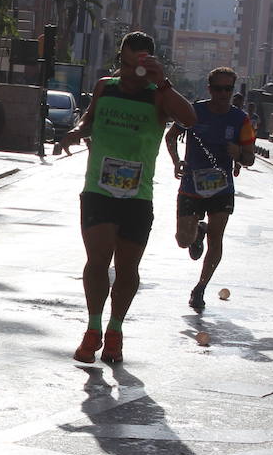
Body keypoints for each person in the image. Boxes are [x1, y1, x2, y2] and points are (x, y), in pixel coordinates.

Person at [64, 31, 195, 363]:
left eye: (135, 66)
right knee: (97, 261)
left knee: (126, 269)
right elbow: (89, 120)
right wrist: (77, 132)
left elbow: (191, 119)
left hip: (138, 197)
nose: (127, 73)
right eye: (122, 63)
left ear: (148, 64)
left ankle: (115, 330)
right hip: (98, 191)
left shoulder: (158, 96)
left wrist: (162, 82)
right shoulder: (105, 87)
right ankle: (93, 328)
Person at [164, 67, 256, 310]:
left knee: (217, 238)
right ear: (210, 89)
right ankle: (197, 232)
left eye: (228, 89)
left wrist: (239, 154)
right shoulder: (195, 111)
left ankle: (200, 287)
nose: (223, 94)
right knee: (183, 240)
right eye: (218, 88)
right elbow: (171, 136)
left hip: (221, 189)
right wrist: (176, 161)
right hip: (191, 186)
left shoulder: (240, 120)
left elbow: (250, 158)